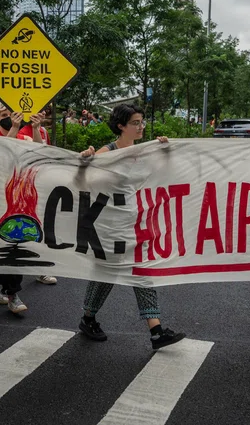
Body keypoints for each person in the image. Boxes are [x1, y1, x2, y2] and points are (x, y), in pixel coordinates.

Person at [78, 104, 184, 350]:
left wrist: (166, 152)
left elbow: (166, 176)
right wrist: (86, 160)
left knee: (141, 270)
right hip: (111, 225)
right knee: (107, 273)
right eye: (135, 123)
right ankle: (88, 318)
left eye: (142, 122)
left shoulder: (145, 151)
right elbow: (85, 181)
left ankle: (156, 330)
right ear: (121, 126)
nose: (141, 127)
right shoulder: (108, 152)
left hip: (136, 222)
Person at [0, 103, 58, 288]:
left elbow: (39, 151)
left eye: (11, 114)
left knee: (17, 242)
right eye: (3, 115)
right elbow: (1, 153)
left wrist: (35, 128)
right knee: (4, 245)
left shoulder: (24, 137)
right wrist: (14, 128)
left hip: (22, 198)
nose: (9, 118)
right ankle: (7, 291)